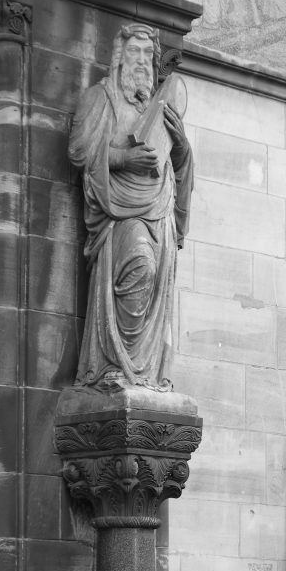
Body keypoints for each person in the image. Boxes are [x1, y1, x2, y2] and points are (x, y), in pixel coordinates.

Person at [68, 23, 193, 389]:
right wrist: (123, 158)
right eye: (134, 53)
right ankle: (114, 364)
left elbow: (177, 163)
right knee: (140, 267)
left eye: (148, 56)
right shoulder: (100, 99)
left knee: (156, 289)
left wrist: (182, 146)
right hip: (122, 213)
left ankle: (146, 373)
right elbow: (79, 150)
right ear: (120, 59)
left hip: (161, 210)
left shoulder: (159, 108)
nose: (142, 62)